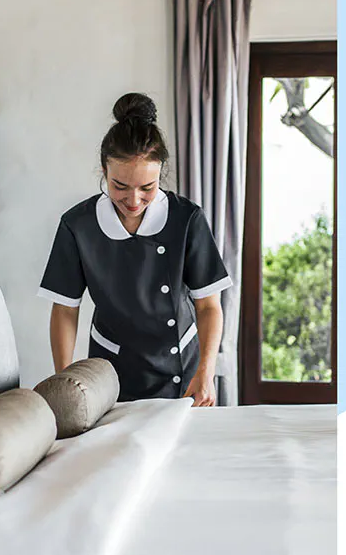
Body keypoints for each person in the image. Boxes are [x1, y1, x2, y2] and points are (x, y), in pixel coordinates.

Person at [37, 92, 231, 406]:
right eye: (120, 186)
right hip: (108, 373)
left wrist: (206, 373)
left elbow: (209, 306)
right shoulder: (78, 226)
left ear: (161, 173)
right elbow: (65, 309)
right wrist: (64, 382)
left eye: (147, 188)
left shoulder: (186, 220)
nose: (134, 200)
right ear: (104, 171)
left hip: (183, 372)